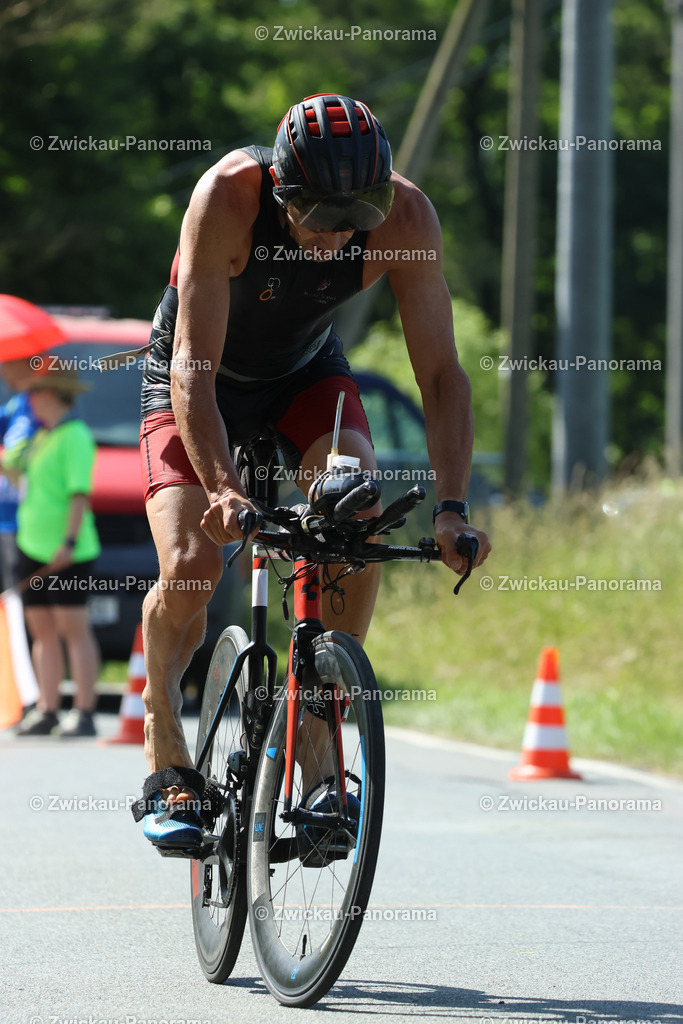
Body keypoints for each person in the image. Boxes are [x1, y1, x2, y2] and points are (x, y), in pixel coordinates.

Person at [133, 93, 491, 849]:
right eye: (318, 219)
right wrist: (226, 489)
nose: (335, 239)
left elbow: (440, 376)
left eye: (351, 221)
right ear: (281, 193)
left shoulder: (406, 218)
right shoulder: (227, 195)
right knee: (195, 564)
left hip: (303, 376)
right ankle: (165, 745)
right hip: (196, 378)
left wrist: (452, 507)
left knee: (355, 509)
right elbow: (194, 372)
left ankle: (318, 738)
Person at [4, 368, 102, 738]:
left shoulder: (75, 436)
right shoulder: (38, 436)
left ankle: (84, 711)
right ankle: (46, 709)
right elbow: (17, 477)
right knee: (41, 630)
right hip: (31, 544)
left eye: (35, 392)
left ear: (54, 394)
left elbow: (79, 493)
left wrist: (69, 542)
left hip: (67, 550)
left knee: (73, 628)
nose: (28, 399)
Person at [0, 358, 41, 592]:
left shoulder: (43, 406)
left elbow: (21, 459)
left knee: (26, 602)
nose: (2, 371)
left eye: (7, 364)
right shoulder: (19, 403)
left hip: (29, 520)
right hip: (8, 518)